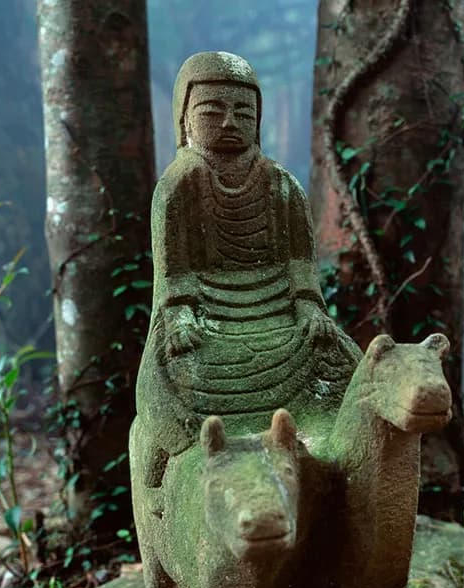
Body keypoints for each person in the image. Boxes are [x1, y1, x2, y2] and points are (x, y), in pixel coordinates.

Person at [135, 52, 359, 467]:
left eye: (243, 111)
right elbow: (174, 271)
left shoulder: (281, 183)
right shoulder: (176, 187)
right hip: (205, 315)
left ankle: (324, 436)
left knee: (343, 362)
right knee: (179, 373)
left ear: (258, 118)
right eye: (212, 111)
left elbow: (300, 260)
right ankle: (171, 443)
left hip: (279, 308)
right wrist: (180, 312)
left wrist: (309, 304)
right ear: (185, 120)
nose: (229, 122)